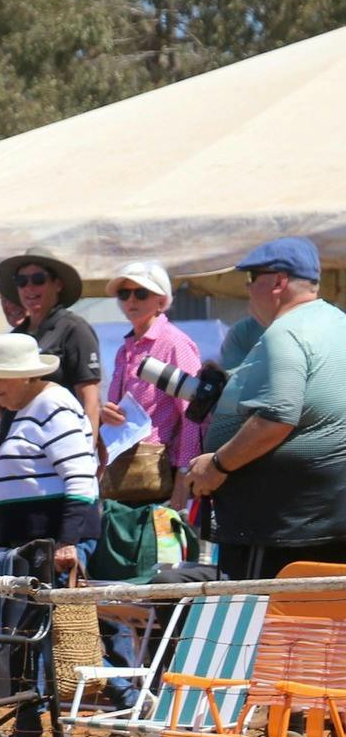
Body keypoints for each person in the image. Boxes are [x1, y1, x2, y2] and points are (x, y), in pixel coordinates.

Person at [185, 236, 346, 578]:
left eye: (251, 278)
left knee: (267, 625)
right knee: (322, 627)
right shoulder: (337, 322)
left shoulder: (285, 332)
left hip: (282, 527)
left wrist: (217, 465)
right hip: (326, 516)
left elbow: (278, 416)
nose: (247, 290)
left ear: (277, 282)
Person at [0, 333, 101, 574]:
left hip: (52, 547)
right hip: (36, 545)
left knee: (51, 611)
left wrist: (67, 542)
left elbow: (80, 476)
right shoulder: (29, 408)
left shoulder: (52, 404)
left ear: (25, 377)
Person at [103, 260, 204, 505]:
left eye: (140, 293)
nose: (131, 300)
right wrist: (107, 414)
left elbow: (194, 413)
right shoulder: (123, 350)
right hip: (127, 474)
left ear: (161, 301)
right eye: (124, 294)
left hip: (161, 478)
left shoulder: (174, 343)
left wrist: (182, 477)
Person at [0, 248, 102, 457]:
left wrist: (87, 457)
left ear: (57, 284)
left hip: (58, 451)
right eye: (21, 281)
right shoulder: (16, 336)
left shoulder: (74, 329)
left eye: (38, 279)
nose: (29, 287)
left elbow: (91, 402)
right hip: (17, 451)